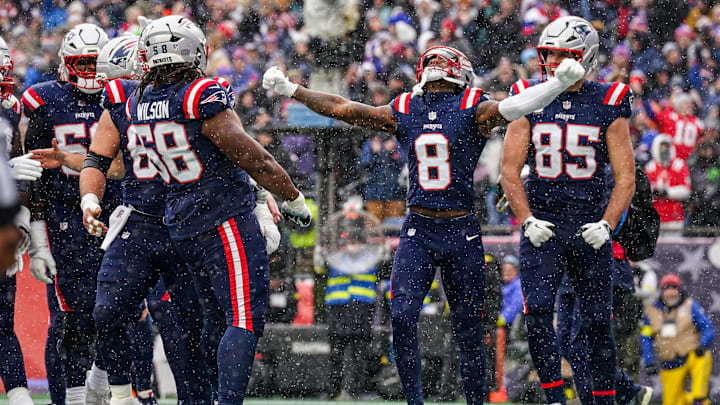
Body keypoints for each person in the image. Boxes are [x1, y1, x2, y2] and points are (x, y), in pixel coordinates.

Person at [264, 42, 586, 404]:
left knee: (468, 330)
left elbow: (513, 107)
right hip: (419, 229)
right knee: (402, 316)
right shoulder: (408, 107)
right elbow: (344, 109)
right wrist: (292, 89)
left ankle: (475, 400)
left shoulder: (470, 108)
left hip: (460, 230)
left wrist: (557, 85)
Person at [123, 16, 309, 405]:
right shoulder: (198, 94)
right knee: (243, 318)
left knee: (214, 319)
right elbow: (250, 155)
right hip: (220, 218)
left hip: (184, 219)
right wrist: (291, 196)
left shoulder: (139, 100)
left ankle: (205, 399)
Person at [500, 16, 636, 405]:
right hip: (543, 222)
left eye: (564, 54)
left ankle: (605, 399)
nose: (554, 61)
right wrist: (526, 220)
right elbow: (508, 171)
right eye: (550, 53)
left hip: (589, 224)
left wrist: (607, 226)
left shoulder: (608, 99)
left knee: (597, 322)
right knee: (539, 317)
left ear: (586, 57)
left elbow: (626, 177)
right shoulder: (528, 93)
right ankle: (554, 399)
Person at [22, 23, 119, 405]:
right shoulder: (44, 99)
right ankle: (73, 397)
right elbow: (37, 175)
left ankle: (119, 389)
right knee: (70, 315)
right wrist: (40, 235)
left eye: (97, 63)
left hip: (116, 211)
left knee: (118, 311)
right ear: (66, 63)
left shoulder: (123, 95)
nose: (91, 71)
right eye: (83, 63)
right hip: (66, 217)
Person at [0, 34, 41, 405]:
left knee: (2, 322)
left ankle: (19, 396)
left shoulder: (9, 106)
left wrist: (21, 215)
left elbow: (20, 164)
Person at [641, 273, 715, 405]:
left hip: (693, 354)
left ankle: (699, 400)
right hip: (670, 361)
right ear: (662, 291)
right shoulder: (651, 312)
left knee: (703, 362)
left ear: (679, 290)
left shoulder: (690, 305)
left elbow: (708, 327)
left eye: (674, 288)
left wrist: (703, 345)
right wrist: (649, 361)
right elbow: (645, 337)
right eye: (667, 288)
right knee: (672, 402)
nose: (671, 293)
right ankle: (691, 400)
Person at [644, 134, 691, 229]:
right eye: (661, 147)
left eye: (666, 147)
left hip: (674, 215)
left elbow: (686, 190)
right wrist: (654, 191)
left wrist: (667, 192)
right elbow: (645, 190)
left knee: (674, 243)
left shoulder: (679, 165)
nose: (664, 150)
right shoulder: (650, 167)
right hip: (656, 216)